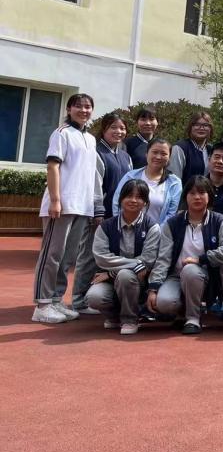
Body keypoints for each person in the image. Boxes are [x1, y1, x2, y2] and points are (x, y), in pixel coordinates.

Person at [31, 94, 98, 324]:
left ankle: (56, 299)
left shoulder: (90, 138)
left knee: (68, 257)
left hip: (82, 206)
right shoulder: (62, 133)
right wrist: (55, 200)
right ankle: (42, 305)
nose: (84, 110)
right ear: (69, 109)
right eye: (78, 106)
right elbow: (52, 166)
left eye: (88, 106)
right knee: (52, 255)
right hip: (61, 205)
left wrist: (91, 205)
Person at [147, 175, 223, 335]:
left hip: (209, 276)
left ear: (209, 196)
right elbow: (163, 258)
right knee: (164, 303)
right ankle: (181, 310)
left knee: (190, 270)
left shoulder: (219, 221)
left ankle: (193, 319)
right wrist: (153, 288)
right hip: (176, 276)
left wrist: (200, 259)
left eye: (202, 193)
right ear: (185, 196)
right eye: (192, 193)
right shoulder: (172, 223)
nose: (197, 197)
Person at [86, 179, 161, 335]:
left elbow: (148, 260)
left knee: (125, 275)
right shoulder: (106, 226)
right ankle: (113, 316)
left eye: (139, 197)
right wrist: (133, 264)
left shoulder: (152, 227)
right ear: (120, 199)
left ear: (145, 202)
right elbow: (101, 257)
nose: (133, 200)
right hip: (111, 280)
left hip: (140, 279)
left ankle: (130, 319)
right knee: (94, 297)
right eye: (129, 196)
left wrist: (112, 273)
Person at [85, 112, 132, 313]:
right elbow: (95, 185)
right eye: (113, 127)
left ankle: (106, 298)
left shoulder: (125, 156)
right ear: (104, 129)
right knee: (89, 257)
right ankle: (79, 299)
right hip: (101, 215)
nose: (118, 131)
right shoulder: (97, 153)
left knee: (112, 256)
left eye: (122, 128)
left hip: (120, 216)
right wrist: (98, 212)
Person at [112, 138, 182, 225]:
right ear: (146, 154)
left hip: (158, 231)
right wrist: (122, 225)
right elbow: (117, 203)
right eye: (155, 152)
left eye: (163, 154)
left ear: (169, 157)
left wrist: (156, 231)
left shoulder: (174, 183)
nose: (158, 157)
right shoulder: (130, 176)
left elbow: (171, 213)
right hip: (126, 229)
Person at [169, 111, 214, 182]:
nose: (201, 128)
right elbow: (174, 180)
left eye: (205, 125)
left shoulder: (211, 149)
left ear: (210, 128)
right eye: (197, 124)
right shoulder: (180, 148)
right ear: (190, 127)